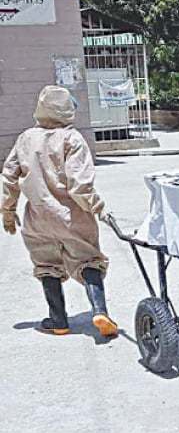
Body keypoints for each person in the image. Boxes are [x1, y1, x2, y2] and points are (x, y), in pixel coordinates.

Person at [1, 86, 117, 337]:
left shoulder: (25, 138)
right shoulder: (72, 138)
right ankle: (100, 311)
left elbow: (9, 176)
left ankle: (58, 320)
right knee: (88, 259)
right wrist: (98, 207)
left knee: (47, 265)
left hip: (38, 218)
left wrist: (8, 212)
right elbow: (79, 185)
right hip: (72, 216)